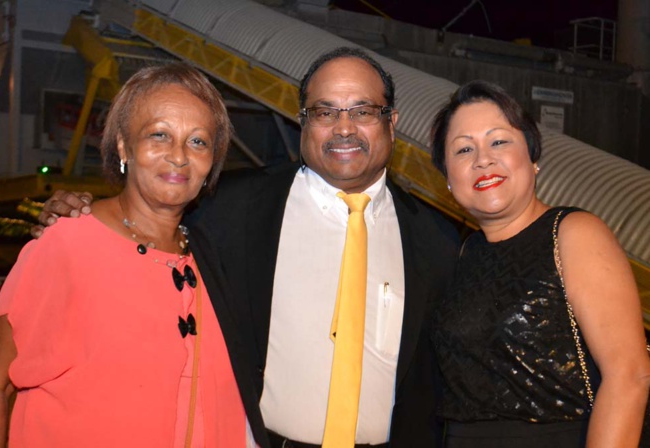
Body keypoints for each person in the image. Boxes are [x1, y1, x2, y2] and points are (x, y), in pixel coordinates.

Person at [31, 47, 461, 447]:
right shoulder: (227, 210)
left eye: (363, 111)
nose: (344, 128)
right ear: (303, 122)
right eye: (324, 112)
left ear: (392, 122)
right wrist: (79, 213)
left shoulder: (437, 242)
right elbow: (144, 223)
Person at [0, 62, 268, 447]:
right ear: (123, 145)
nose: (179, 156)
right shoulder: (68, 244)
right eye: (159, 135)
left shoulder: (216, 257)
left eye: (198, 141)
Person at [429, 80, 650, 447]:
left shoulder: (574, 232)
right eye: (464, 149)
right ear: (448, 180)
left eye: (499, 141)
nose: (483, 159)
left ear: (532, 159)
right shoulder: (467, 253)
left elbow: (629, 376)